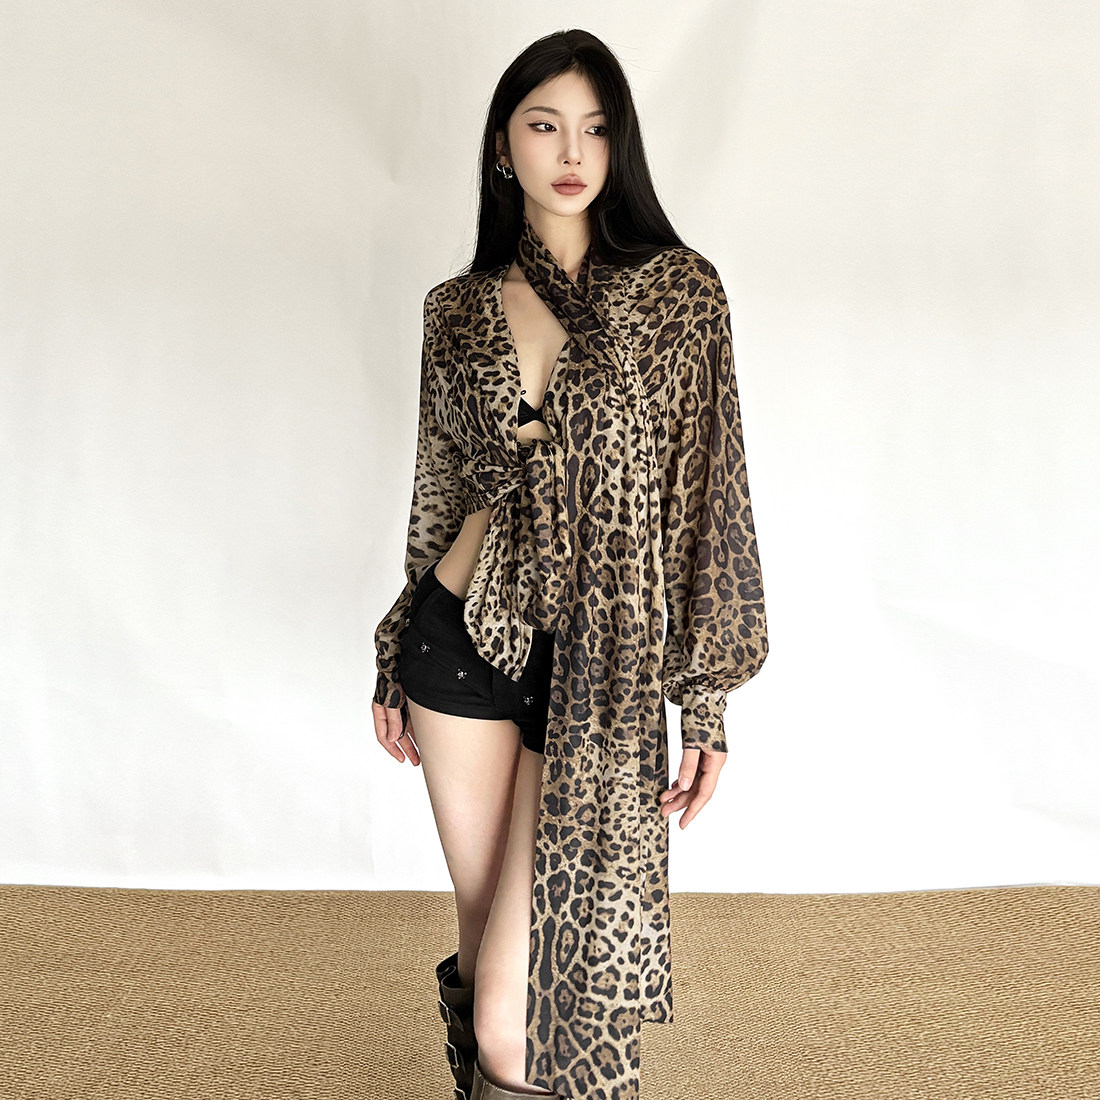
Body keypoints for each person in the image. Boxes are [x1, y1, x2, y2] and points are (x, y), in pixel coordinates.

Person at [370, 28, 767, 1100]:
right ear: (503, 145)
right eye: (544, 125)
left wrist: (706, 700)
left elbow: (709, 505)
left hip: (597, 667)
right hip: (457, 641)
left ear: (619, 144)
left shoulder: (679, 295)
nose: (572, 151)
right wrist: (392, 650)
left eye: (595, 127)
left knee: (522, 1006)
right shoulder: (455, 310)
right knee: (483, 944)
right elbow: (438, 492)